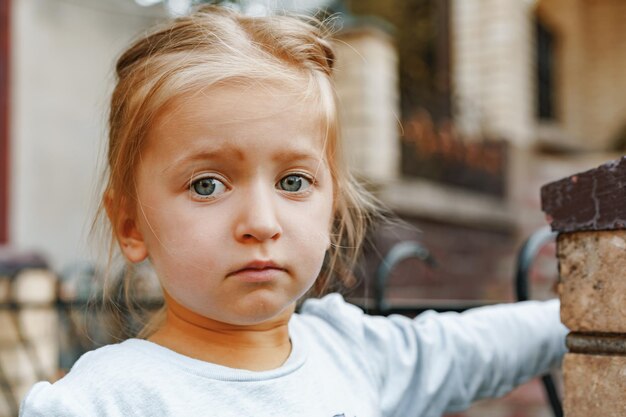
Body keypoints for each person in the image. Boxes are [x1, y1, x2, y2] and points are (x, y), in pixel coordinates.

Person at [20, 5, 567, 417]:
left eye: (293, 181)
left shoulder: (354, 353)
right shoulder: (104, 402)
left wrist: (588, 311)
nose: (261, 221)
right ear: (130, 224)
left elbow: (478, 347)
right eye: (207, 184)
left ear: (332, 209)